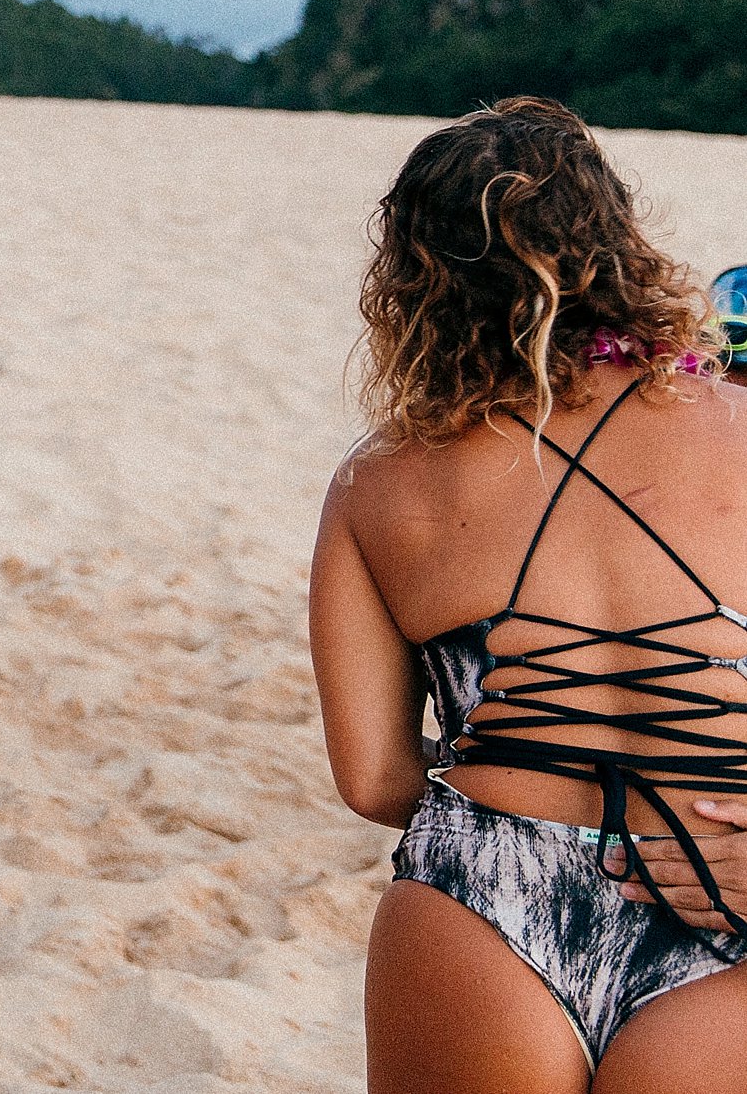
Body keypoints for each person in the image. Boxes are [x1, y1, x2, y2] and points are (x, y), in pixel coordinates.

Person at [309, 96, 747, 1094]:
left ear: (414, 282)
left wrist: (516, 798)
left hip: (482, 899)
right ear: (618, 243)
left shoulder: (377, 482)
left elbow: (373, 778)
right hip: (716, 880)